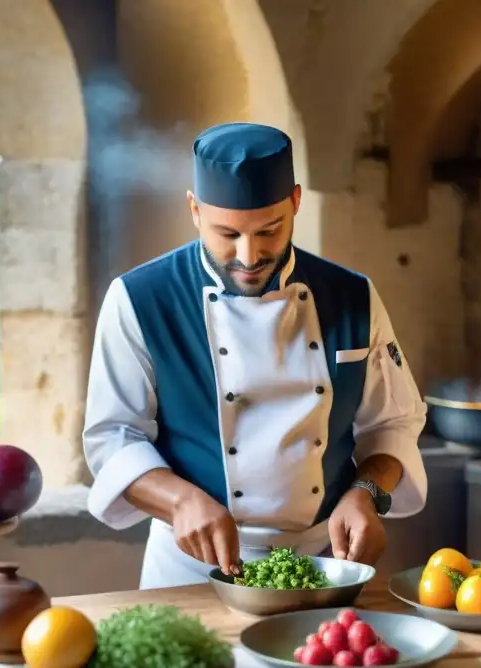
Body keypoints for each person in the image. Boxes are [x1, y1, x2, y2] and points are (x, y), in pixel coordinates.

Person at [82, 121, 428, 589]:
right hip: (188, 568)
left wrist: (365, 494)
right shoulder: (139, 299)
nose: (249, 255)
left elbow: (393, 423)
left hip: (323, 562)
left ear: (296, 203)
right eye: (228, 234)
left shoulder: (354, 296)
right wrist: (181, 502)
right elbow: (113, 437)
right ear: (194, 210)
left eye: (269, 230)